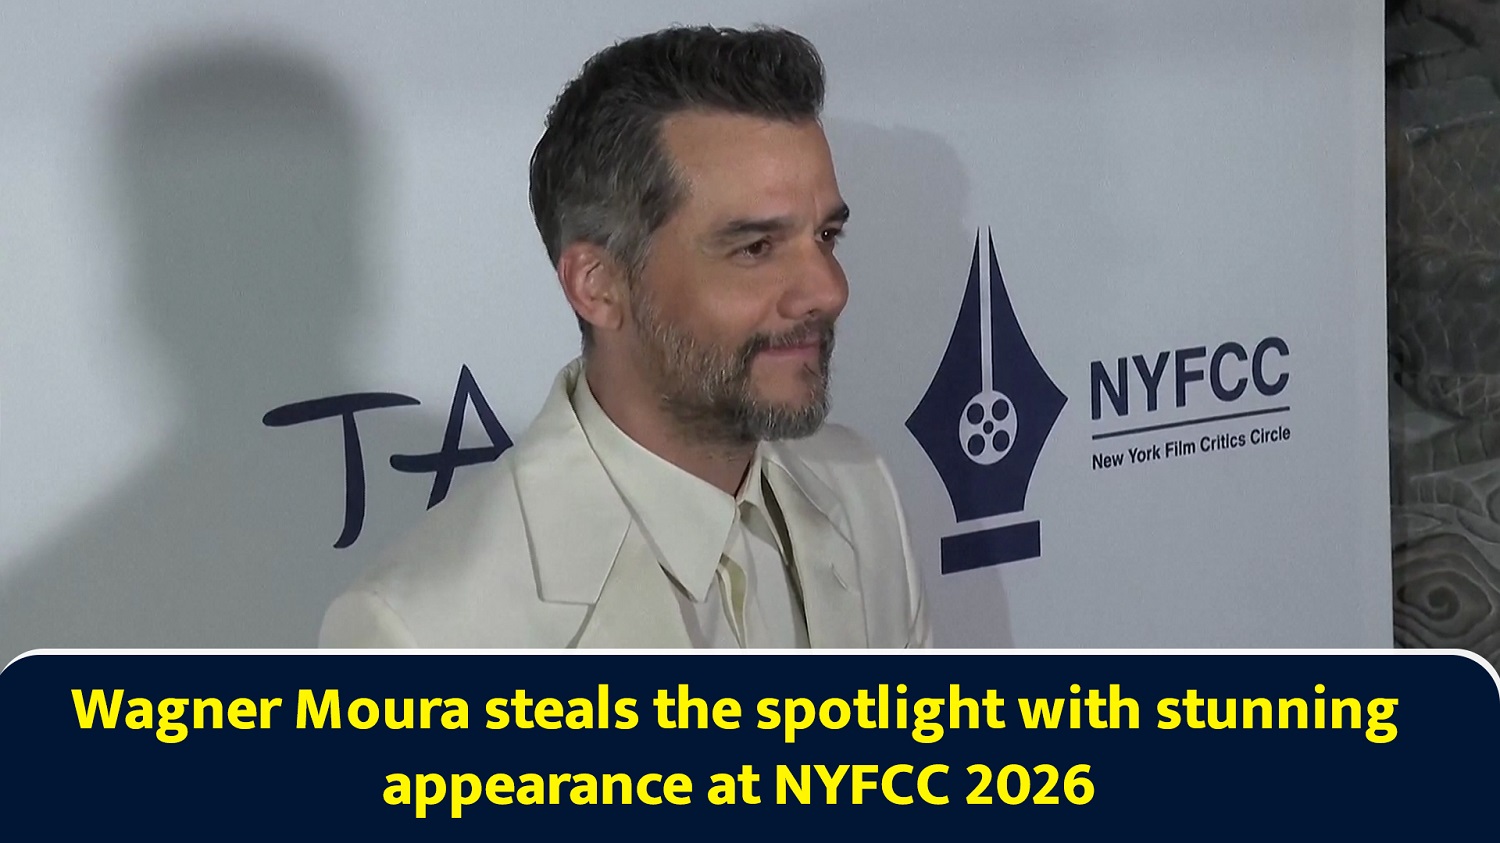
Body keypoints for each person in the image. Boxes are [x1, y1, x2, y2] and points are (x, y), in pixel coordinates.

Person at [320, 25, 933, 648]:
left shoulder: (862, 491)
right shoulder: (421, 633)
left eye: (826, 236)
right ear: (599, 286)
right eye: (755, 248)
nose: (829, 290)